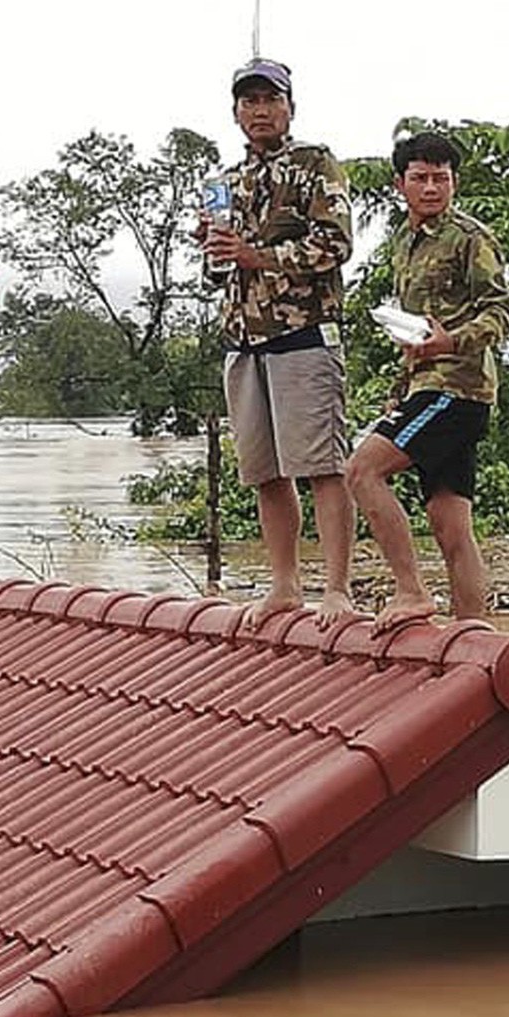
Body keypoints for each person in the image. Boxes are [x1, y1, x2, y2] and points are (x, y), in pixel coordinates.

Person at [203, 58, 357, 629]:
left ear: (290, 106)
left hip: (303, 334)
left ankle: (337, 588)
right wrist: (215, 250)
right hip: (242, 340)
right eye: (249, 101)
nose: (260, 110)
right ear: (236, 112)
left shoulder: (316, 164)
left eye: (270, 99)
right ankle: (285, 585)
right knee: (265, 472)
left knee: (322, 465)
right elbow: (217, 274)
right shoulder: (226, 182)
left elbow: (336, 245)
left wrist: (257, 255)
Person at [345, 132, 509, 632]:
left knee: (362, 472)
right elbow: (416, 327)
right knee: (450, 525)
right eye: (420, 177)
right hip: (424, 386)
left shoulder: (470, 238)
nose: (432, 187)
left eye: (441, 177)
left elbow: (503, 310)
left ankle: (411, 592)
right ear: (401, 184)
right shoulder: (403, 243)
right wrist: (404, 377)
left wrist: (451, 342)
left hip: (456, 389)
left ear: (454, 182)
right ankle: (472, 635)